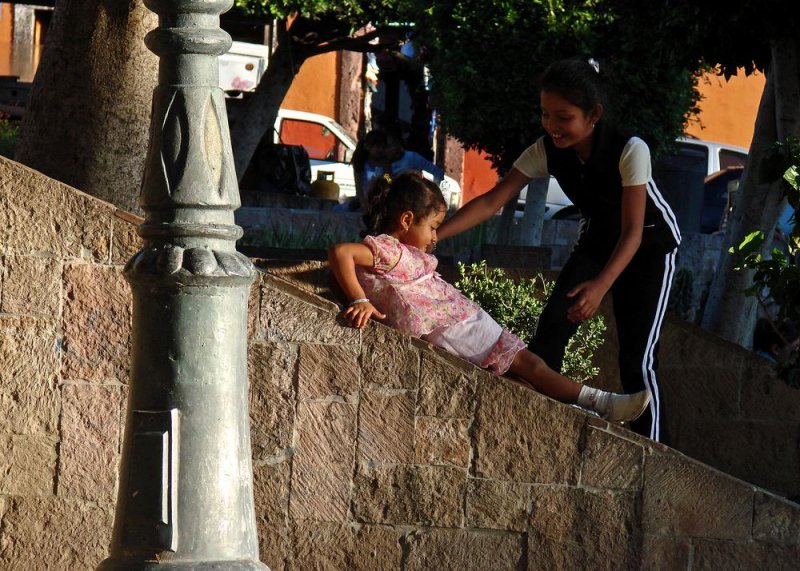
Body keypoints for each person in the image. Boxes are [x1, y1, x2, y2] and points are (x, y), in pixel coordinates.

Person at [436, 59, 681, 443]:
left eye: (564, 117)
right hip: (598, 242)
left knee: (638, 358)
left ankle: (658, 453)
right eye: (546, 114)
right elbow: (492, 201)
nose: (552, 126)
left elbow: (633, 231)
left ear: (594, 114)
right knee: (549, 335)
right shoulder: (546, 150)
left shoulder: (630, 150)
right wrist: (435, 234)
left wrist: (600, 286)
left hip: (649, 247)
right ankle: (538, 435)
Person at [328, 171, 651, 423]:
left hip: (462, 325)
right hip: (457, 330)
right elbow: (341, 252)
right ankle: (601, 402)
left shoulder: (401, 251)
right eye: (433, 226)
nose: (435, 237)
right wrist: (359, 300)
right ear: (407, 220)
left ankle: (588, 411)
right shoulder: (388, 248)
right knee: (531, 365)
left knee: (523, 377)